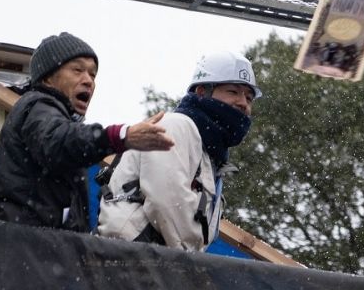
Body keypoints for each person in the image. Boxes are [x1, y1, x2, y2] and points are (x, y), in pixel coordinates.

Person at [0, 32, 174, 232]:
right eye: (78, 70)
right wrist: (118, 136)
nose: (88, 80)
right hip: (21, 246)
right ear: (47, 78)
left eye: (93, 74)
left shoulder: (51, 114)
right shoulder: (37, 105)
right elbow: (58, 141)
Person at [97, 51, 260, 251]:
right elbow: (167, 203)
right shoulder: (176, 126)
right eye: (233, 92)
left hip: (155, 263)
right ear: (202, 92)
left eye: (249, 98)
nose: (243, 103)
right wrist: (189, 267)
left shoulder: (209, 156)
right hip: (131, 260)